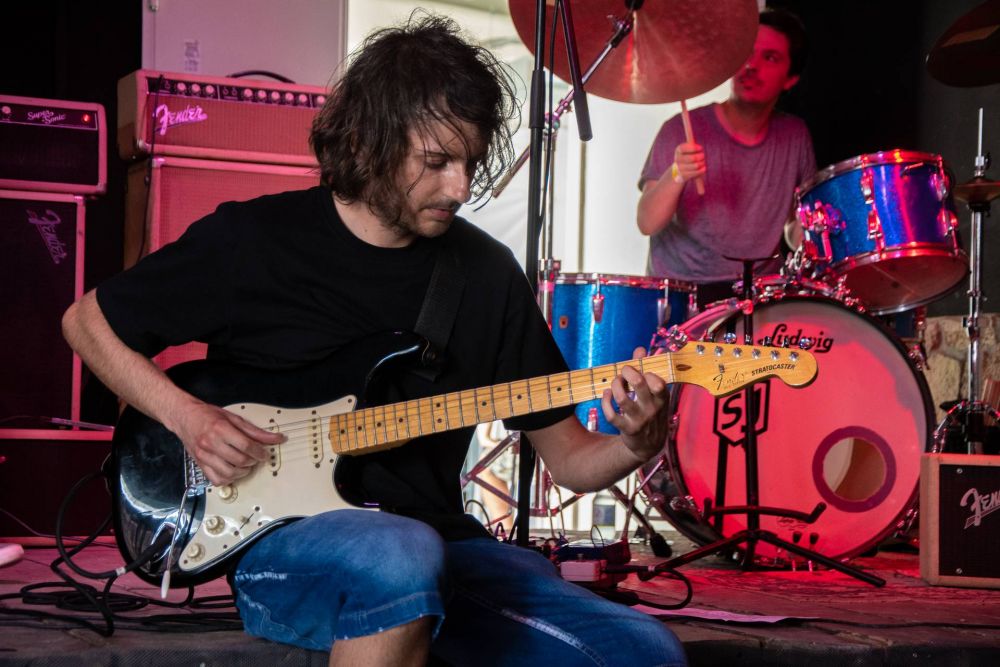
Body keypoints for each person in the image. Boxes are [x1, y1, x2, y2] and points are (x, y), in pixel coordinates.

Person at [62, 14, 687, 667]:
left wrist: (636, 443)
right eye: (437, 162)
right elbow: (86, 322)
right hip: (285, 545)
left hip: (446, 547)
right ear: (369, 143)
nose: (461, 188)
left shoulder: (484, 274)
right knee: (399, 554)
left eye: (471, 162)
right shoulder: (254, 241)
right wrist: (189, 419)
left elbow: (571, 460)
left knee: (648, 651)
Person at [636, 8, 816, 309]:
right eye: (747, 53)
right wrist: (677, 174)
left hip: (758, 298)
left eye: (770, 58)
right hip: (684, 298)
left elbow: (793, 227)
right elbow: (646, 222)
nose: (751, 66)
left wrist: (819, 235)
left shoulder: (795, 136)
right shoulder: (680, 129)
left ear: (790, 79)